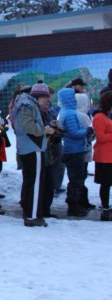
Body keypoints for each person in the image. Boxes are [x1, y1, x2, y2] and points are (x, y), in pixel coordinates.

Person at [11, 83, 52, 227]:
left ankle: (30, 212)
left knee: (30, 182)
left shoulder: (24, 102)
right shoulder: (28, 105)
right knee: (35, 183)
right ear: (38, 97)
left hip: (28, 147)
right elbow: (28, 126)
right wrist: (45, 129)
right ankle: (33, 215)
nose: (47, 102)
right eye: (45, 98)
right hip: (33, 148)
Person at [57, 87, 93, 217]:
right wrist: (87, 131)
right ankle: (74, 205)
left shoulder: (65, 111)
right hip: (75, 150)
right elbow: (74, 133)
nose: (74, 99)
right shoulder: (71, 113)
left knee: (75, 178)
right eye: (72, 97)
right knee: (76, 179)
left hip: (70, 149)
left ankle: (74, 204)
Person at [93, 92, 112, 221]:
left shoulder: (106, 116)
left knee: (107, 183)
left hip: (108, 155)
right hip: (104, 156)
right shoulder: (99, 117)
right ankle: (105, 209)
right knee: (106, 184)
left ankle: (106, 208)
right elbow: (100, 137)